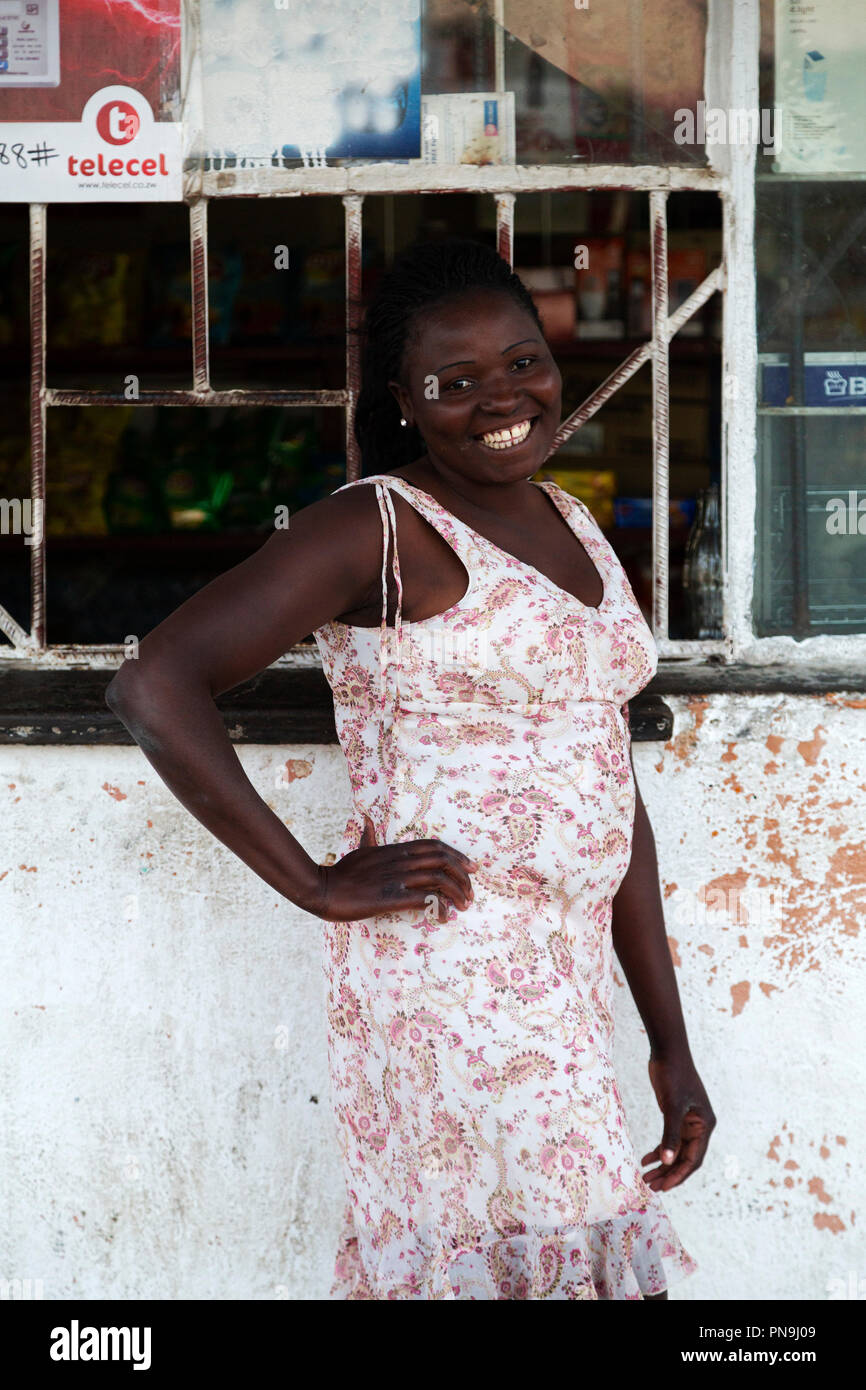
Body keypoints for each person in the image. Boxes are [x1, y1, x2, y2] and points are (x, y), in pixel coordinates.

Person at [106, 236, 715, 1301]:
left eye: (521, 362)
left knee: (549, 1260)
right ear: (403, 401)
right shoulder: (376, 528)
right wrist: (312, 882)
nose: (500, 399)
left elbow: (604, 788)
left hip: (558, 985)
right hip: (452, 978)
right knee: (527, 1259)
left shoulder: (571, 518)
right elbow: (156, 683)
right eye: (456, 381)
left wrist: (668, 1041)